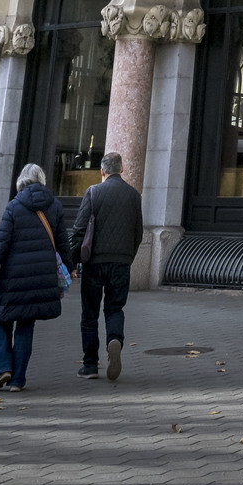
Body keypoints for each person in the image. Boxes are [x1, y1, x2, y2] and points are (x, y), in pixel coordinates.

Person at [0, 162, 71, 390]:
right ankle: (18, 380)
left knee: (2, 319)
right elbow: (62, 242)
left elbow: (0, 244)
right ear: (41, 180)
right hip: (41, 277)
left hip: (13, 275)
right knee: (25, 325)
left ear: (21, 181)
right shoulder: (55, 206)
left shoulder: (14, 206)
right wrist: (71, 268)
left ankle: (3, 368)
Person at [71, 150, 144, 383]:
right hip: (121, 261)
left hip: (94, 262)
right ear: (122, 169)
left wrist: (73, 260)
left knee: (89, 314)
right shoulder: (134, 196)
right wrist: (128, 257)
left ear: (102, 170)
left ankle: (90, 364)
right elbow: (138, 233)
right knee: (115, 308)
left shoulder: (93, 192)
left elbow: (80, 230)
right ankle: (115, 340)